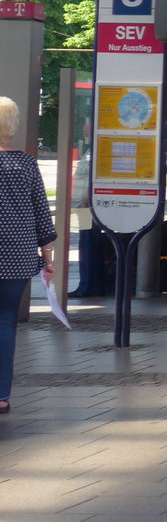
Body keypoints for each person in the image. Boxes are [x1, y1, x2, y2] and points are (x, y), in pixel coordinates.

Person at [0, 96, 56, 415]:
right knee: (5, 322)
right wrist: (48, 258)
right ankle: (1, 394)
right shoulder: (26, 164)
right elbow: (41, 215)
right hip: (18, 258)